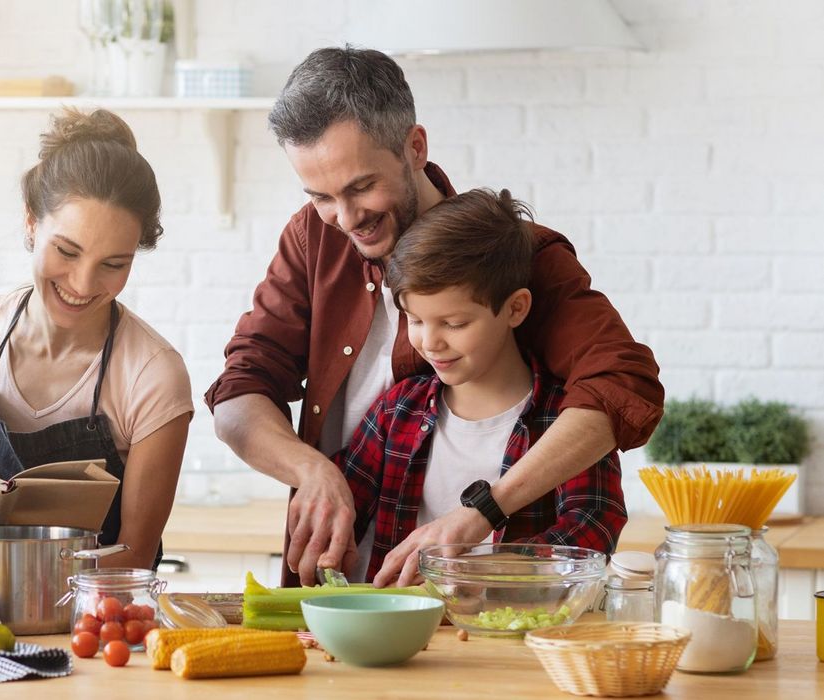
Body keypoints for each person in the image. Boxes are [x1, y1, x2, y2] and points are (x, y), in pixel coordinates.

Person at [205, 47, 663, 586]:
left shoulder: (514, 256)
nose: (346, 219)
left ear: (415, 147)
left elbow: (622, 384)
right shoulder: (314, 237)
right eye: (320, 196)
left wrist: (483, 516)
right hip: (354, 593)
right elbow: (238, 393)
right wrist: (312, 471)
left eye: (360, 187)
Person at [0, 108, 193, 571]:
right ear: (32, 222)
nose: (82, 283)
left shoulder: (152, 374)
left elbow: (134, 557)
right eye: (67, 251)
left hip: (98, 621)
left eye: (113, 264)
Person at [338, 188, 628, 587]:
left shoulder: (566, 421)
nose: (430, 342)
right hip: (399, 633)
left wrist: (473, 573)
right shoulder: (395, 411)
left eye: (454, 324)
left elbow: (592, 530)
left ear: (515, 308)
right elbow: (343, 510)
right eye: (415, 320)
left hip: (513, 635)